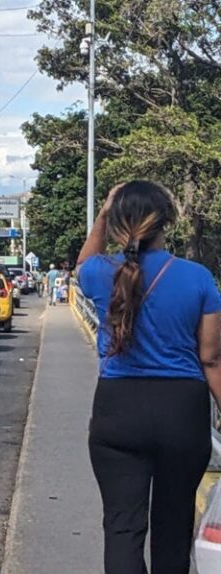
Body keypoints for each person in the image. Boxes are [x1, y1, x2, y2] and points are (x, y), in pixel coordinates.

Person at [77, 180, 221, 574]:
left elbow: (82, 266)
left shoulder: (99, 273)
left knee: (122, 528)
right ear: (166, 223)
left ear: (118, 221)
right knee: (174, 527)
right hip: (182, 412)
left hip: (118, 409)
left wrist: (104, 214)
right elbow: (211, 359)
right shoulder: (198, 278)